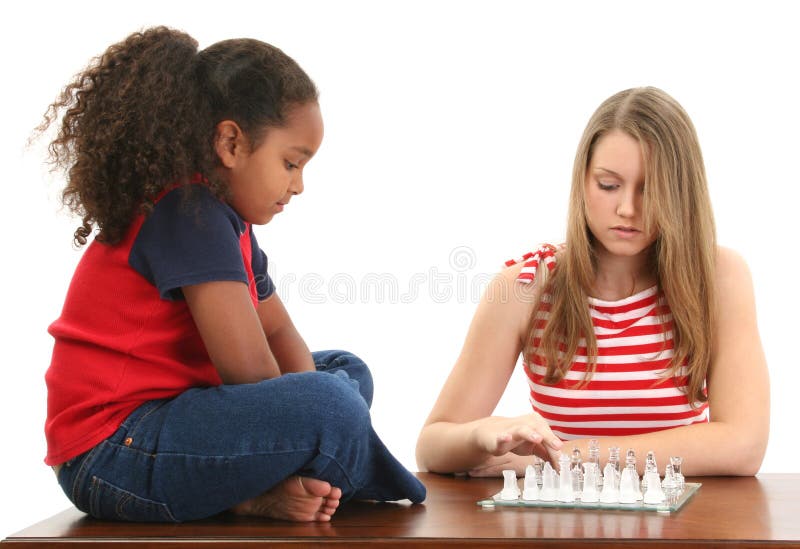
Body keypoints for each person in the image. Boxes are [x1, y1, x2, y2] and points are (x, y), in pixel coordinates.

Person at [38, 26, 425, 523]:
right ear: (230, 142)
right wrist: (316, 414)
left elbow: (278, 329)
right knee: (330, 402)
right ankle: (343, 475)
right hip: (110, 453)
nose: (299, 185)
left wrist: (308, 406)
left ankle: (252, 493)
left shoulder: (228, 219)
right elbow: (248, 372)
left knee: (345, 370)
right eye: (290, 163)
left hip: (167, 424)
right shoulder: (187, 212)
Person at [416, 87, 769, 478]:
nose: (627, 209)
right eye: (608, 185)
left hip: (683, 528)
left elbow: (743, 446)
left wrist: (570, 455)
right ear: (582, 182)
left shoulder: (718, 276)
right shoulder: (526, 287)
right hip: (564, 529)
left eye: (651, 189)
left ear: (682, 194)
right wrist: (481, 434)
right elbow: (432, 447)